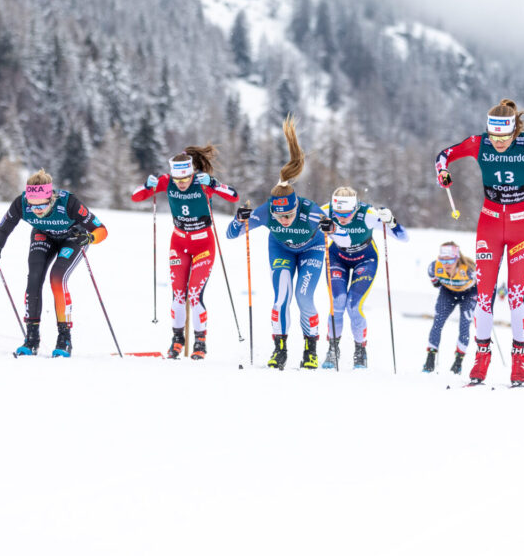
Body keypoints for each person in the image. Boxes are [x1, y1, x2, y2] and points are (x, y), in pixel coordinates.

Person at [435, 98, 524, 386]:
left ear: (514, 131)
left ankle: (519, 359)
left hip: (522, 227)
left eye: (504, 137)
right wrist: (443, 173)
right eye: (494, 136)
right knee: (484, 297)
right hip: (489, 225)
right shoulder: (479, 143)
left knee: (514, 298)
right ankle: (481, 358)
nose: (498, 142)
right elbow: (443, 156)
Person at [226, 116, 348, 370]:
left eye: (289, 215)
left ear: (296, 207)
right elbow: (230, 234)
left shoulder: (309, 210)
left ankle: (310, 350)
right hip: (281, 249)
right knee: (281, 298)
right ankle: (279, 350)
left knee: (304, 298)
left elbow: (342, 238)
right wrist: (239, 220)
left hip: (311, 249)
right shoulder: (266, 211)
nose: (283, 220)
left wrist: (331, 228)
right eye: (279, 216)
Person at [0, 169, 108, 357]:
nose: (37, 211)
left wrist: (89, 237)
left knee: (57, 278)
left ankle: (64, 339)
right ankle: (32, 339)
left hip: (73, 238)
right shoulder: (21, 203)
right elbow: (5, 226)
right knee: (34, 279)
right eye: (32, 207)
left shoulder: (68, 203)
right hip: (43, 235)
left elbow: (101, 229)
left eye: (41, 206)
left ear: (51, 199)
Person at [131, 145, 239, 359]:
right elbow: (136, 197)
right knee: (178, 295)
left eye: (185, 179)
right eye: (177, 180)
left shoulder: (202, 182)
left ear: (192, 173)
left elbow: (234, 196)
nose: (181, 184)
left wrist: (215, 184)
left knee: (194, 295)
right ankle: (177, 339)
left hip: (203, 245)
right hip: (179, 244)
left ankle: (200, 341)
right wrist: (146, 185)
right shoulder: (166, 181)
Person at [319, 187, 407, 369]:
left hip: (365, 260)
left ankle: (360, 350)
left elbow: (403, 237)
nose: (342, 218)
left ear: (356, 208)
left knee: (353, 305)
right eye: (338, 213)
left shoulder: (367, 214)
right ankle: (333, 349)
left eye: (347, 213)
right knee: (338, 302)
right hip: (337, 258)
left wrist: (391, 221)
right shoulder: (325, 210)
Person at [423, 241, 477, 374]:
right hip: (448, 293)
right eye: (443, 260)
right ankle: (430, 359)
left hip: (469, 294)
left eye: (450, 260)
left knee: (464, 325)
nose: (446, 264)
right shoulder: (434, 268)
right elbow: (436, 284)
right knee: (438, 322)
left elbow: (483, 285)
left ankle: (458, 362)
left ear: (457, 258)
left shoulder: (469, 270)